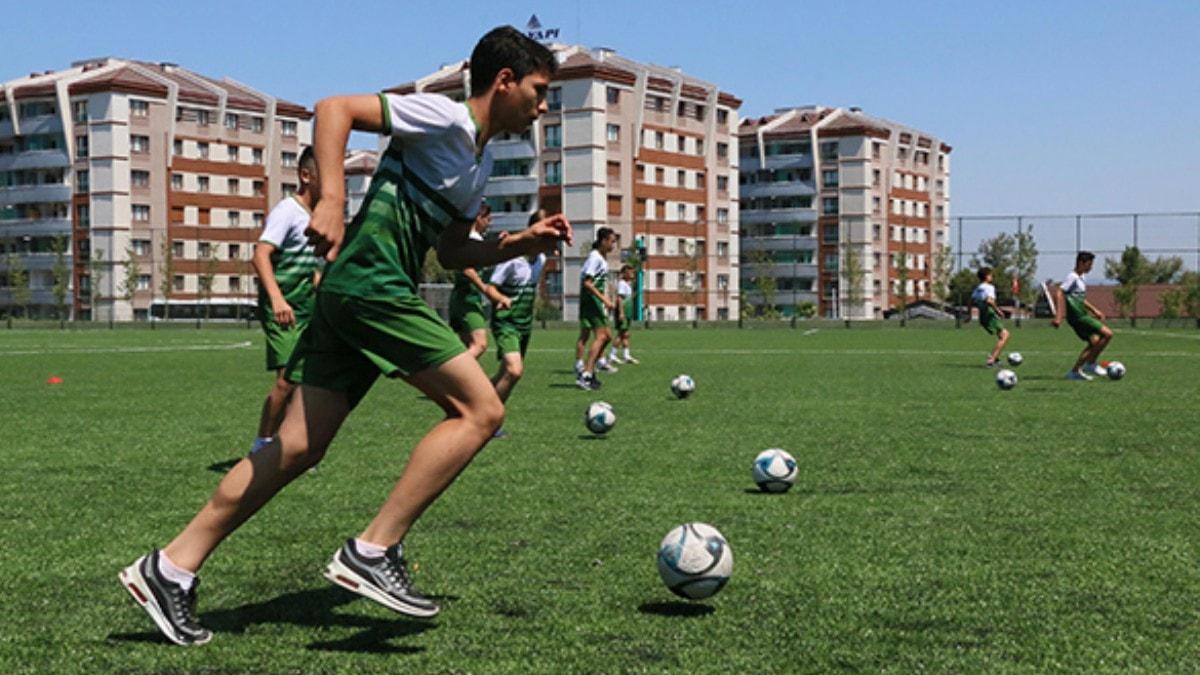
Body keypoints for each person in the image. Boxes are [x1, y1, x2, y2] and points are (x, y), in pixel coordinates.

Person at [119, 26, 570, 646]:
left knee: (298, 447)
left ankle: (169, 567)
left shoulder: (479, 163)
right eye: (540, 91)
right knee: (481, 409)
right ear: (504, 81)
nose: (542, 106)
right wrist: (332, 199)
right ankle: (373, 549)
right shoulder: (443, 117)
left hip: (357, 294)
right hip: (371, 284)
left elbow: (450, 246)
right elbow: (336, 109)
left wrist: (520, 242)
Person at [248, 147, 322, 454]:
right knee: (288, 379)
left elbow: (310, 263)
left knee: (307, 380)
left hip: (308, 307)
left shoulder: (319, 215)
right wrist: (278, 299)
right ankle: (262, 445)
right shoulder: (287, 211)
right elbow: (260, 255)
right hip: (283, 308)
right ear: (306, 176)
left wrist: (318, 282)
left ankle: (290, 445)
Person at [485, 209, 549, 436]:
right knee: (514, 370)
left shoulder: (541, 259)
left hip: (524, 325)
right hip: (506, 322)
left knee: (506, 375)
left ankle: (477, 406)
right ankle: (487, 421)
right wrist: (500, 298)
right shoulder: (511, 258)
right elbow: (490, 287)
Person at [1052, 251, 1114, 380]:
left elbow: (1080, 299)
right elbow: (1059, 292)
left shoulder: (1081, 278)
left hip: (1082, 314)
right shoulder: (1072, 277)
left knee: (1094, 342)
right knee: (1108, 334)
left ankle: (1074, 372)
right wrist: (1059, 316)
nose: (1091, 268)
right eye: (1089, 264)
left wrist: (1094, 310)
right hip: (1078, 316)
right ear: (1081, 263)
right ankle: (1090, 364)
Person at [448, 203, 494, 358]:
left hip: (461, 299)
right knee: (480, 344)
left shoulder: (472, 239)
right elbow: (467, 269)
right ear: (478, 218)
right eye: (487, 219)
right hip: (467, 299)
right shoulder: (471, 239)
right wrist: (485, 289)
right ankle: (453, 374)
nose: (490, 222)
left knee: (466, 347)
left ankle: (454, 381)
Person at [574, 227, 618, 390]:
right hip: (592, 301)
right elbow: (587, 282)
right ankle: (586, 374)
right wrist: (604, 299)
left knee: (606, 336)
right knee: (602, 336)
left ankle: (590, 371)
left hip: (591, 301)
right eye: (612, 241)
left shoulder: (599, 258)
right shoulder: (595, 258)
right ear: (603, 241)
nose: (613, 245)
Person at [971, 266, 1009, 367]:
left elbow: (970, 301)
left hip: (982, 315)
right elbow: (989, 300)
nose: (992, 277)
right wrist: (998, 310)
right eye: (991, 275)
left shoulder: (978, 288)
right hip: (990, 313)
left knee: (1001, 335)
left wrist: (968, 314)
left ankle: (995, 359)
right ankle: (992, 359)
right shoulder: (989, 287)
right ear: (987, 276)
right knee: (1005, 335)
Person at [608, 264, 638, 365]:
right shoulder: (622, 284)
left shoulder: (627, 284)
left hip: (627, 312)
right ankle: (612, 355)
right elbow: (619, 299)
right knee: (621, 334)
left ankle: (626, 355)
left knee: (626, 334)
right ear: (625, 273)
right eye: (630, 272)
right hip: (623, 312)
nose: (632, 274)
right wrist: (621, 312)